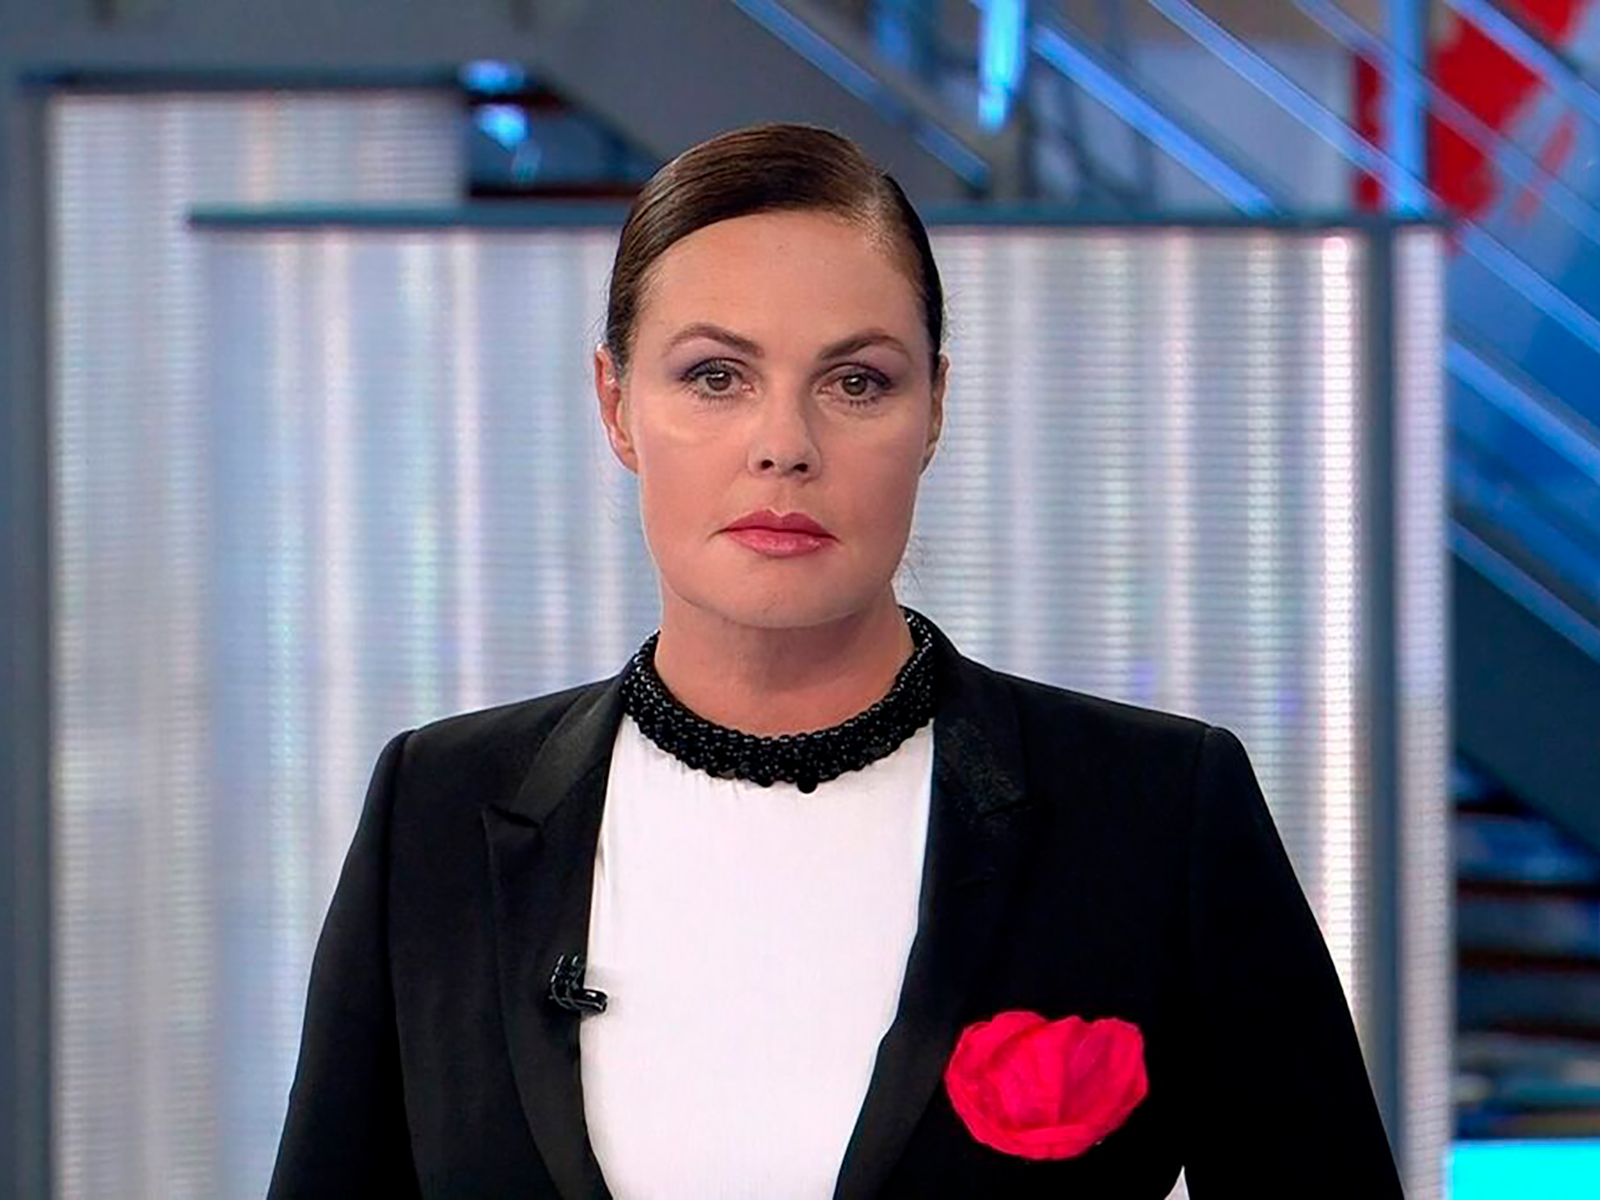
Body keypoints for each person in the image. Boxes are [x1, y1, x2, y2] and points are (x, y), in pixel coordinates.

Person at [267, 122, 1404, 1198]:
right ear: (615, 405)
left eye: (856, 381)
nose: (784, 446)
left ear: (934, 409)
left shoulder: (1156, 813)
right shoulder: (436, 809)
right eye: (715, 376)